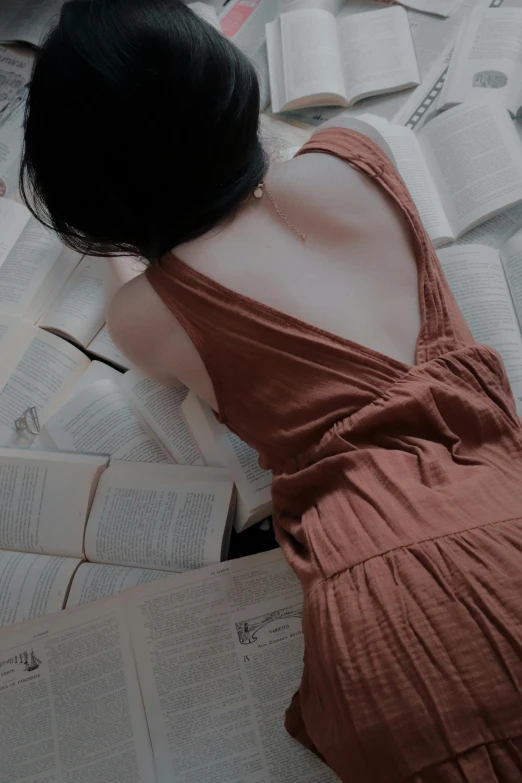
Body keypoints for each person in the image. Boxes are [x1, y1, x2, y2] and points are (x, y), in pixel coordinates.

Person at [21, 0, 522, 780]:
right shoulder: (355, 149)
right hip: (501, 519)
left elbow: (140, 275)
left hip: (383, 615)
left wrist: (142, 246)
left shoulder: (148, 314)